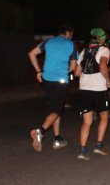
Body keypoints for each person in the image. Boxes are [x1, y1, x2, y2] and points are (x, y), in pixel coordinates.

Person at [28, 24, 77, 152]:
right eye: (71, 34)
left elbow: (31, 54)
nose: (71, 37)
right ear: (67, 33)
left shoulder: (48, 42)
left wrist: (38, 71)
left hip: (46, 79)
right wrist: (63, 71)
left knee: (55, 108)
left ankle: (57, 138)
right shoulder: (71, 44)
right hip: (60, 80)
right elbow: (73, 66)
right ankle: (40, 131)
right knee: (57, 110)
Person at [74, 28, 110, 160]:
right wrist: (108, 81)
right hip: (99, 89)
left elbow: (77, 73)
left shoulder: (84, 51)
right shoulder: (104, 50)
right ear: (101, 38)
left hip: (84, 89)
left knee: (87, 121)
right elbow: (102, 65)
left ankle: (83, 151)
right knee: (104, 116)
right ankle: (98, 146)